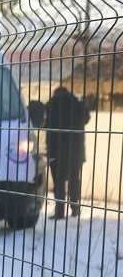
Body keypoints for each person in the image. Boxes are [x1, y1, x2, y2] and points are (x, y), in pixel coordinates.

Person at [44, 85, 89, 219]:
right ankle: (75, 208)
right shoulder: (77, 105)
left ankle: (59, 211)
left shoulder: (52, 104)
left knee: (59, 183)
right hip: (76, 151)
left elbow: (43, 122)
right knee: (74, 180)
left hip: (56, 151)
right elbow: (86, 118)